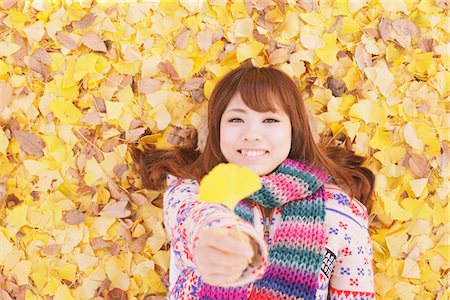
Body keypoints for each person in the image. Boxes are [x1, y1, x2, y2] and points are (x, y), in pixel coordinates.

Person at [132, 65, 376, 299]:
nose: (251, 134)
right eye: (236, 120)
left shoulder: (340, 212)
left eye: (270, 120)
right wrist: (219, 239)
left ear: (294, 129)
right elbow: (196, 218)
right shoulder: (192, 189)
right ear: (217, 130)